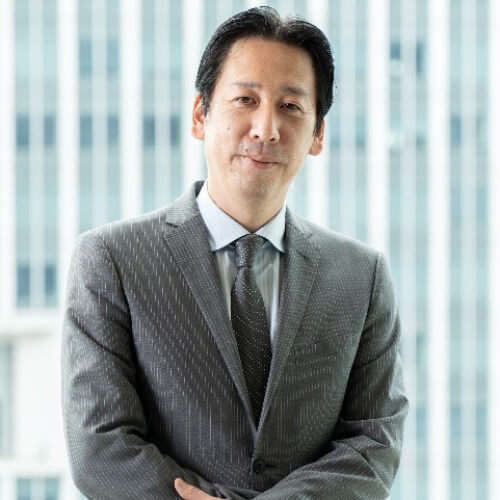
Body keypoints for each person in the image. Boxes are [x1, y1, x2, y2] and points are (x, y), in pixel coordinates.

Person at [62, 6, 408, 500]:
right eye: (246, 99)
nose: (265, 128)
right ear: (200, 115)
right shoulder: (112, 259)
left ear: (318, 134)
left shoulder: (361, 276)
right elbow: (100, 446)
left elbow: (374, 442)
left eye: (291, 106)